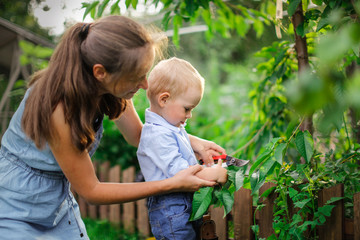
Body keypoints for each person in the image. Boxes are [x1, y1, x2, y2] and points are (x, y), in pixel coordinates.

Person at [0, 16, 226, 239]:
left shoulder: (109, 84)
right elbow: (92, 191)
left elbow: (139, 136)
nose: (145, 84)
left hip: (57, 201)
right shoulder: (59, 108)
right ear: (101, 72)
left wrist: (193, 142)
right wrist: (170, 184)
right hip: (15, 205)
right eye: (137, 77)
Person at [137, 57, 228, 240]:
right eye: (187, 109)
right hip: (169, 207)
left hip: (180, 202)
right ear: (164, 99)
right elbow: (179, 171)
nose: (190, 115)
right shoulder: (157, 135)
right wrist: (215, 174)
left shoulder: (171, 128)